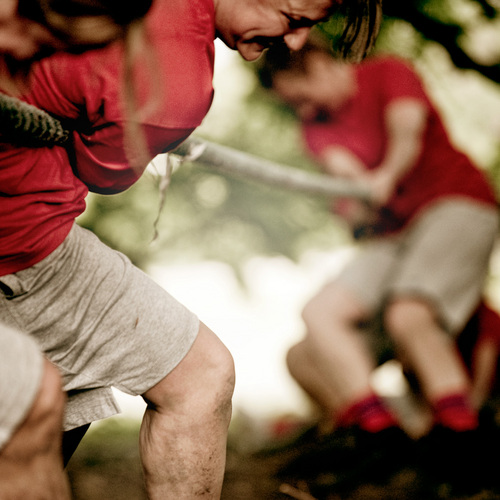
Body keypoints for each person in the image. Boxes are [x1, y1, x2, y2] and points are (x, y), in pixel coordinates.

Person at [0, 0, 383, 498]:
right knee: (198, 377)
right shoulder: (176, 75)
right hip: (23, 241)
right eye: (295, 20)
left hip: (27, 226)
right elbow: (103, 172)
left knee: (60, 395)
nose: (295, 42)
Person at [258, 36, 500, 494]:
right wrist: (361, 198)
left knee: (409, 314)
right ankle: (379, 435)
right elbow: (347, 180)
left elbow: (407, 132)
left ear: (317, 67)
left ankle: (464, 443)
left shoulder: (389, 72)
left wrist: (386, 175)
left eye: (301, 98)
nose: (304, 112)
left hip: (456, 204)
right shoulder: (316, 129)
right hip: (396, 232)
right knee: (319, 315)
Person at [0, 2, 153, 499]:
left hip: (39, 243)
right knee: (35, 392)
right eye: (27, 25)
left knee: (50, 392)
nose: (22, 47)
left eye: (46, 46)